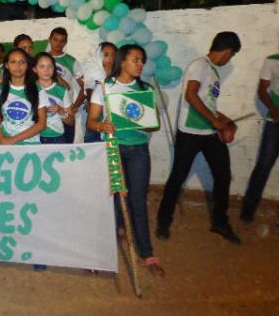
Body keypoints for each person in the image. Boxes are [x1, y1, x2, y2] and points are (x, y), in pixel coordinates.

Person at [157, 31, 242, 244]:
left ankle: (220, 222)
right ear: (227, 51)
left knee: (223, 176)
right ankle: (163, 221)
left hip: (209, 134)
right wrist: (215, 121)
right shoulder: (199, 65)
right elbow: (191, 95)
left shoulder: (213, 71)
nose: (229, 60)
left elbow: (209, 105)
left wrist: (225, 120)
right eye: (231, 55)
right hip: (190, 133)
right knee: (178, 178)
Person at [88, 44, 164, 275]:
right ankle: (103, 252)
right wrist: (102, 124)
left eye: (142, 60)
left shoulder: (145, 90)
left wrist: (141, 119)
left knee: (137, 201)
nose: (140, 65)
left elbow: (155, 125)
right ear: (123, 62)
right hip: (112, 149)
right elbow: (91, 121)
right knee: (110, 200)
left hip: (139, 150)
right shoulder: (104, 88)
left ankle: (147, 253)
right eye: (136, 60)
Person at [241, 53, 279, 223]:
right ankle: (248, 210)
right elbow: (262, 89)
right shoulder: (272, 60)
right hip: (275, 122)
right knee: (263, 166)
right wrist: (273, 109)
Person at [0, 48, 48, 146]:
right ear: (7, 65)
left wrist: (12, 140)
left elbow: (41, 124)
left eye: (22, 62)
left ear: (27, 65)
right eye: (13, 62)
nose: (18, 66)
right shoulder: (0, 89)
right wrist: (1, 140)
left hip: (30, 146)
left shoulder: (38, 90)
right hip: (5, 145)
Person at [48, 27, 85, 143]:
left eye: (62, 40)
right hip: (45, 109)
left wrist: (75, 107)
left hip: (65, 109)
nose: (58, 43)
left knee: (67, 147)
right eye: (55, 39)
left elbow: (85, 86)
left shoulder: (71, 61)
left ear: (66, 42)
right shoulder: (41, 59)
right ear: (49, 40)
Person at [34, 52, 74, 144]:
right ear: (34, 69)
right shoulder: (29, 89)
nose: (46, 70)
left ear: (54, 68)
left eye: (50, 66)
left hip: (57, 139)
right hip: (33, 138)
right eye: (42, 66)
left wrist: (60, 110)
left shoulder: (62, 90)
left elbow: (71, 122)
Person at [84, 42, 117, 143]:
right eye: (106, 55)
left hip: (114, 127)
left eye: (114, 55)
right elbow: (91, 100)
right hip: (96, 125)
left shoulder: (121, 77)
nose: (110, 59)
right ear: (98, 56)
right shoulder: (92, 74)